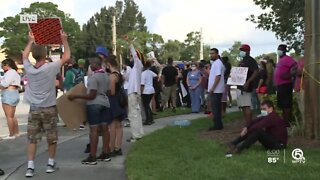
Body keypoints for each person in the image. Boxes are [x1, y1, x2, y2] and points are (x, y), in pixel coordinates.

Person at [23, 31, 70, 177]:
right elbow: (66, 57)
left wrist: (30, 41)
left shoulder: (29, 69)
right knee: (51, 138)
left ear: (34, 56)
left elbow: (24, 56)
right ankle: (50, 164)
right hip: (49, 108)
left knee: (32, 139)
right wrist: (64, 40)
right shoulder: (50, 68)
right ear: (44, 55)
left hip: (34, 109)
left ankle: (30, 167)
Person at [69, 57, 112, 164]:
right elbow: (109, 92)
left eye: (91, 64)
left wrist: (76, 96)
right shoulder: (106, 76)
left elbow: (92, 95)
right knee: (105, 129)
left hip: (94, 105)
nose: (90, 66)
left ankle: (92, 156)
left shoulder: (93, 77)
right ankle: (106, 153)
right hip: (105, 103)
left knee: (94, 131)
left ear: (95, 64)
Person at [106, 55, 127, 157]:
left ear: (109, 65)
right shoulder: (119, 74)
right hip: (120, 102)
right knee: (119, 126)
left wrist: (105, 92)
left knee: (112, 126)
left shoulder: (112, 76)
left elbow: (112, 92)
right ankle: (118, 147)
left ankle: (111, 147)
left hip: (113, 102)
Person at [125, 36, 144, 142]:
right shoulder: (134, 69)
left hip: (133, 93)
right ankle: (139, 133)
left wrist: (129, 43)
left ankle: (135, 135)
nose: (131, 58)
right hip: (134, 93)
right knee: (137, 114)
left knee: (133, 115)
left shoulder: (138, 65)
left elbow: (135, 55)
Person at [274, 44, 297, 122]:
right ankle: (284, 121)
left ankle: (287, 121)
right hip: (280, 85)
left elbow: (295, 66)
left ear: (284, 51)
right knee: (283, 105)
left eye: (281, 49)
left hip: (286, 84)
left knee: (287, 104)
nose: (279, 51)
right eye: (278, 49)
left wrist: (289, 74)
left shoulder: (288, 59)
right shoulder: (280, 60)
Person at [237, 44, 259, 125]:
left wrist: (248, 82)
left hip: (246, 87)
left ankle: (249, 125)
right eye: (241, 50)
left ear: (247, 51)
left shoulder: (251, 60)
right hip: (240, 86)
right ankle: (247, 124)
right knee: (243, 106)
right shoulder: (242, 61)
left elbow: (256, 72)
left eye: (243, 50)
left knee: (247, 106)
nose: (241, 52)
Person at [0, 59, 21, 139]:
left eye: (3, 65)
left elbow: (4, 84)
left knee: (8, 116)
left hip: (8, 93)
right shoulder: (15, 73)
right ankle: (16, 132)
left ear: (7, 65)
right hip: (14, 93)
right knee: (12, 116)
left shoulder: (9, 73)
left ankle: (11, 134)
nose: (2, 67)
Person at [208, 48, 225, 130]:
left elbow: (218, 76)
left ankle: (217, 125)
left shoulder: (218, 63)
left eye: (213, 53)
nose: (211, 55)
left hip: (216, 90)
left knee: (216, 108)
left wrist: (212, 88)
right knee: (216, 107)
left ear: (217, 54)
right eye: (210, 53)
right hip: (216, 89)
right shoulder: (215, 63)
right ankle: (218, 124)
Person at [141, 60, 157, 125]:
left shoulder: (143, 73)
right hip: (151, 90)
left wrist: (141, 92)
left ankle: (148, 120)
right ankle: (151, 118)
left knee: (146, 106)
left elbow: (142, 84)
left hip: (145, 91)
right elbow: (156, 76)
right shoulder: (151, 72)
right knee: (147, 105)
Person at [294, 53, 304, 121]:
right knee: (301, 110)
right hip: (298, 88)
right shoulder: (301, 59)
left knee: (305, 110)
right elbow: (295, 70)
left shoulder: (313, 58)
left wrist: (297, 72)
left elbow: (300, 72)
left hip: (305, 89)